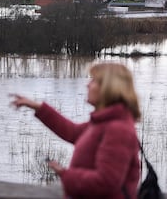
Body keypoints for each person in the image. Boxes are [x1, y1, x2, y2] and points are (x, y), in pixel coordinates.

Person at [10, 62, 140, 199]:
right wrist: (37, 107)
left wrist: (66, 174)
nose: (87, 84)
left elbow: (106, 182)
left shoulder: (118, 129)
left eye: (94, 80)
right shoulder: (104, 123)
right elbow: (72, 132)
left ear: (109, 88)